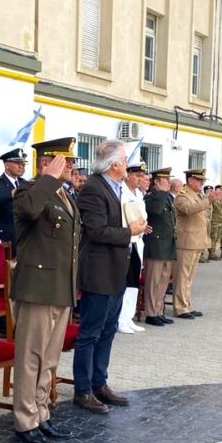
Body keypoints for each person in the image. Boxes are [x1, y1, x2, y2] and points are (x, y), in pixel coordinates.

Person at [10, 137, 80, 443]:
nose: (72, 166)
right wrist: (49, 177)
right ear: (46, 163)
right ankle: (24, 420)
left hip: (60, 288)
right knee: (30, 357)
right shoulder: (28, 190)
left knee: (49, 359)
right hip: (37, 289)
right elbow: (28, 211)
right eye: (66, 161)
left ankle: (41, 412)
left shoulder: (64, 194)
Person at [71, 140, 146, 414]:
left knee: (108, 330)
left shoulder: (114, 187)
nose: (127, 165)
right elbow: (97, 231)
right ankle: (83, 390)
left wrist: (132, 228)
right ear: (114, 165)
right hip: (99, 272)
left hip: (115, 270)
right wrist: (131, 232)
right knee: (91, 332)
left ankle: (99, 382)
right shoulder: (93, 188)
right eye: (125, 161)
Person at [174, 168, 219, 320]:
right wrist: (208, 201)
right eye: (199, 180)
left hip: (197, 241)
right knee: (182, 276)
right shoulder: (182, 195)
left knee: (189, 277)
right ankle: (180, 308)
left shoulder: (197, 195)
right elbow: (187, 210)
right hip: (187, 242)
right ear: (190, 180)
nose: (202, 183)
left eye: (203, 181)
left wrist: (207, 200)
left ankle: (187, 305)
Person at [117, 162, 148, 334]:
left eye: (142, 176)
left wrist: (144, 225)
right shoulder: (121, 191)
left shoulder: (138, 193)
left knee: (134, 281)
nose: (140, 179)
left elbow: (141, 215)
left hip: (138, 239)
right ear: (128, 175)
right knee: (126, 280)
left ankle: (128, 317)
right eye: (137, 176)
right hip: (127, 239)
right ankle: (121, 319)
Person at [142, 167, 176, 327]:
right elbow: (154, 211)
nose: (169, 183)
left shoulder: (167, 197)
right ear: (156, 182)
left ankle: (159, 310)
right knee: (153, 282)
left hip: (168, 244)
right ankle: (150, 312)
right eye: (166, 180)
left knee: (163, 281)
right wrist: (162, 192)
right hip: (155, 244)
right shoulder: (152, 197)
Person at [0, 148, 28, 253]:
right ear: (7, 165)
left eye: (23, 164)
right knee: (4, 268)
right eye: (17, 163)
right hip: (5, 237)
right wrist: (9, 194)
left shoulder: (24, 183)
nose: (21, 166)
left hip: (23, 236)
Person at [208, 185, 222, 261]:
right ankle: (211, 253)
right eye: (219, 190)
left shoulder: (221, 200)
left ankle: (214, 252)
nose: (221, 191)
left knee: (217, 238)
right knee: (213, 238)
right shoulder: (213, 199)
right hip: (214, 221)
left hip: (220, 221)